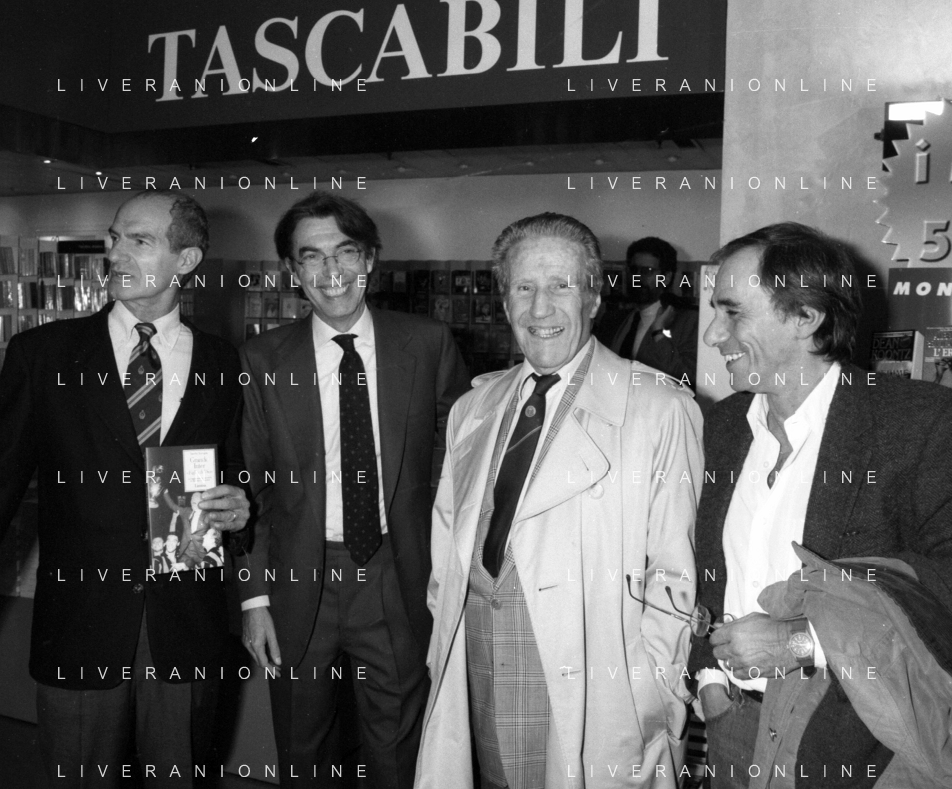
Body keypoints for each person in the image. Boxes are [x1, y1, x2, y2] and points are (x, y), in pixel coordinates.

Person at [0, 193, 253, 787]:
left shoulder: (221, 361)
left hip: (186, 627)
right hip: (80, 626)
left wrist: (239, 507)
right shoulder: (43, 355)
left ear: (185, 260)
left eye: (139, 241)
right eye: (113, 237)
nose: (116, 253)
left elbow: (235, 473)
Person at [690, 222, 952, 787]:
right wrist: (710, 681)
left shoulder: (923, 425)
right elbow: (712, 573)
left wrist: (803, 643)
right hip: (732, 727)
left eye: (732, 313)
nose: (712, 334)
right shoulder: (724, 426)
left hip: (858, 745)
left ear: (806, 317)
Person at [415, 213, 704, 789]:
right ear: (504, 301)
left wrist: (654, 694)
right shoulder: (473, 409)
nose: (540, 308)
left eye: (560, 286)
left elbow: (676, 577)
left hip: (595, 687)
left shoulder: (659, 410)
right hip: (476, 670)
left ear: (593, 298)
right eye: (523, 287)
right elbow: (446, 548)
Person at [237, 192, 470, 788]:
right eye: (311, 257)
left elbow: (462, 465)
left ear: (369, 259)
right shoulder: (262, 360)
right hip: (296, 581)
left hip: (397, 575)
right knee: (303, 751)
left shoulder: (427, 344)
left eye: (345, 252)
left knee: (397, 753)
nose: (331, 272)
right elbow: (252, 488)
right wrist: (254, 600)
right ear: (292, 270)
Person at [608, 236, 698, 385]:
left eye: (647, 271)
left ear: (666, 278)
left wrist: (658, 334)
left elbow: (688, 379)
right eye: (634, 270)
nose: (637, 277)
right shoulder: (614, 320)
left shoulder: (688, 322)